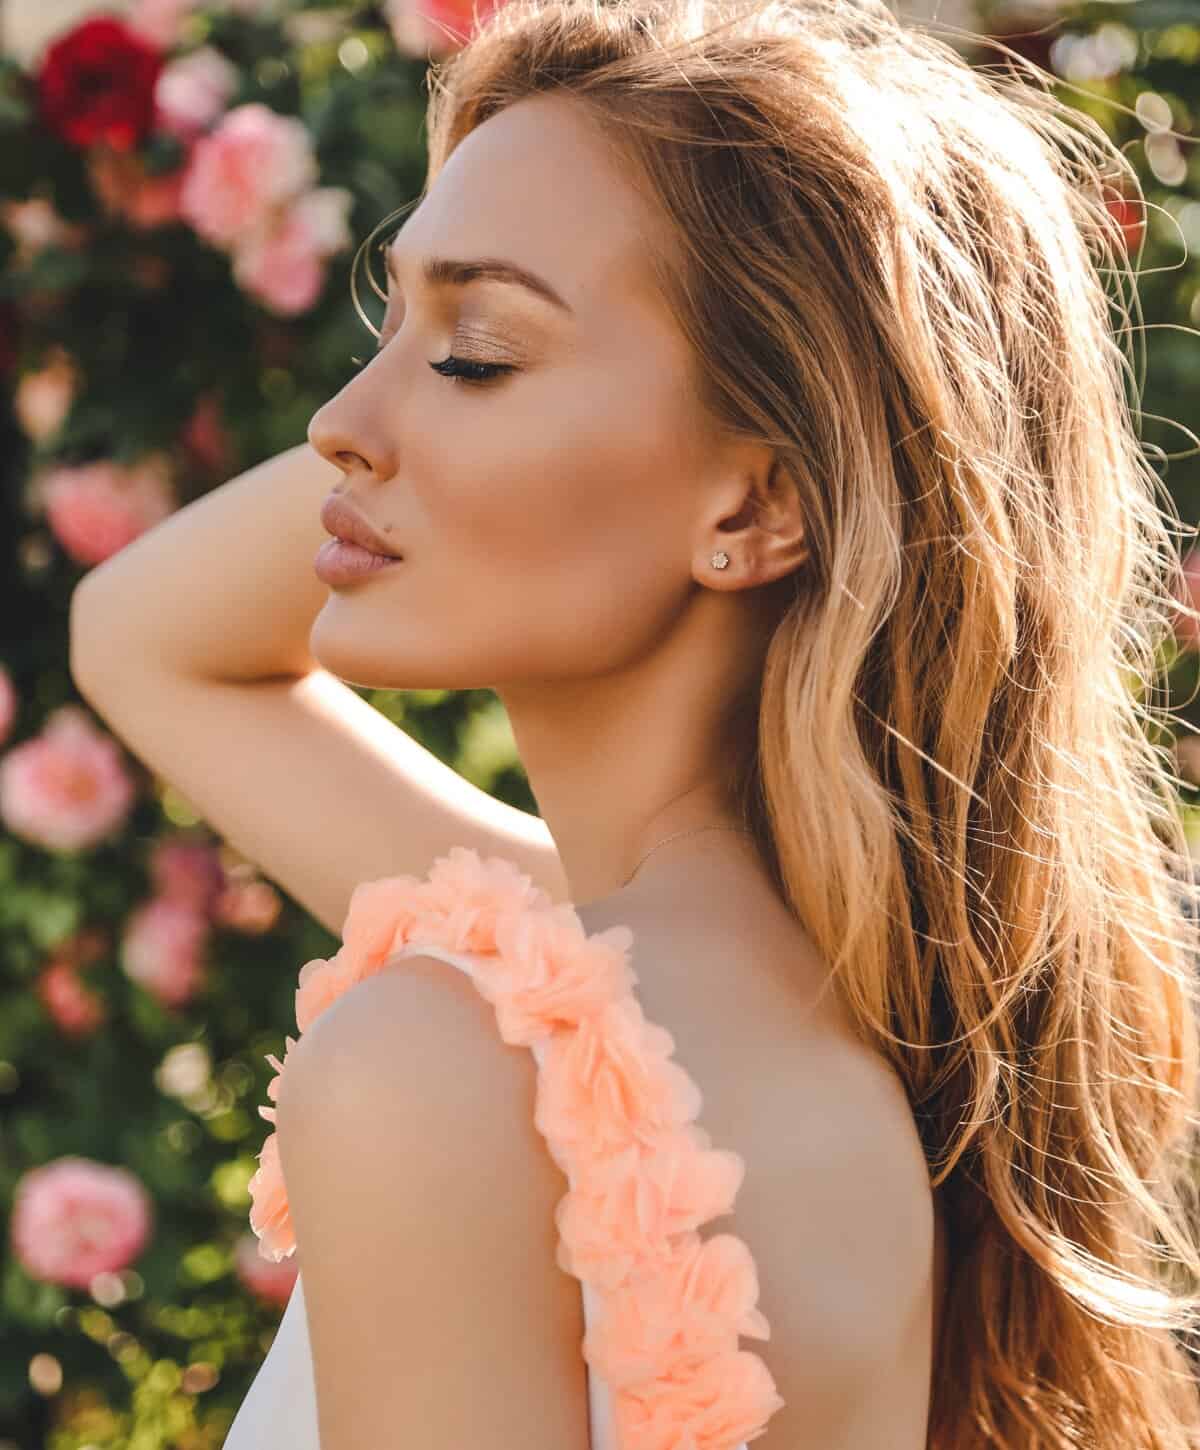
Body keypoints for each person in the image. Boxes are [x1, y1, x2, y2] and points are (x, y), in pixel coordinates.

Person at [67, 0, 1200, 1444]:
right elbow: (145, 637)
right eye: (385, 318)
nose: (340, 421)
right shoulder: (832, 1023)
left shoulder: (466, 1060)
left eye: (476, 351)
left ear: (757, 501)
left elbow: (148, 632)